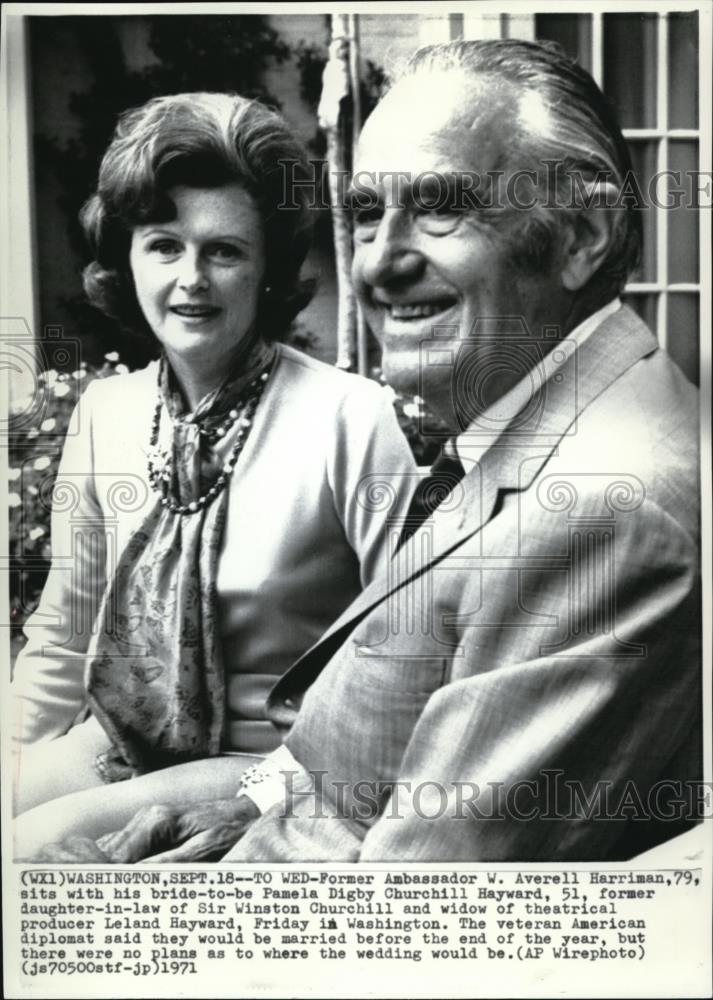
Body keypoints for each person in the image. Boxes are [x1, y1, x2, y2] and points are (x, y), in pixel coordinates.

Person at [27, 39, 701, 863]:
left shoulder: (601, 506)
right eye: (368, 215)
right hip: (253, 795)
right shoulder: (514, 433)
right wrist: (239, 815)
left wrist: (138, 917)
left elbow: (414, 906)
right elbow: (340, 746)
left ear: (582, 235)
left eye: (440, 207)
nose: (379, 261)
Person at [11, 91, 417, 847]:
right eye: (163, 244)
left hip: (268, 765)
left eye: (223, 250)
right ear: (126, 258)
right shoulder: (107, 413)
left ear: (266, 270)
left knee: (29, 847)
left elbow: (404, 663)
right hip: (118, 748)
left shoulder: (348, 418)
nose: (191, 277)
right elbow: (62, 640)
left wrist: (273, 798)